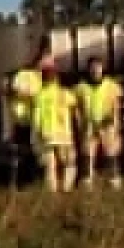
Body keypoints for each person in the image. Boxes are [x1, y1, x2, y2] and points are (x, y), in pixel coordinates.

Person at [74, 56, 123, 188]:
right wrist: (80, 125)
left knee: (110, 152)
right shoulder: (80, 87)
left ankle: (114, 179)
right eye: (92, 68)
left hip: (107, 124)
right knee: (87, 153)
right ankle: (86, 180)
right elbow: (77, 109)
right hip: (88, 125)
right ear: (88, 69)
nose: (95, 70)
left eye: (98, 67)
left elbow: (116, 106)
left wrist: (115, 123)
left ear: (102, 69)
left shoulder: (112, 86)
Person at [32, 62, 78, 191]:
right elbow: (75, 108)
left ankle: (52, 190)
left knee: (50, 166)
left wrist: (35, 139)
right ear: (57, 78)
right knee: (68, 163)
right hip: (64, 135)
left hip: (47, 135)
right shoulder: (65, 93)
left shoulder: (39, 96)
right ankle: (66, 187)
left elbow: (36, 119)